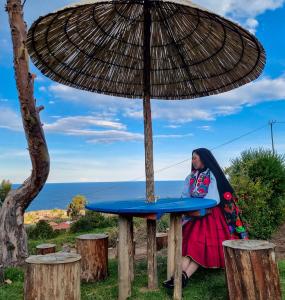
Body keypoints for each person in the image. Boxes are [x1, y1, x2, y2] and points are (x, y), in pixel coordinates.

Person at [163, 148, 249, 289]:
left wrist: (198, 206)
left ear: (203, 158)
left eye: (195, 158)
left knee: (198, 245)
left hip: (211, 216)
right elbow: (185, 196)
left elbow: (213, 198)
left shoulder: (212, 176)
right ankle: (178, 278)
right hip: (194, 215)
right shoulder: (190, 177)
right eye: (192, 158)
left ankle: (180, 278)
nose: (193, 161)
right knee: (191, 245)